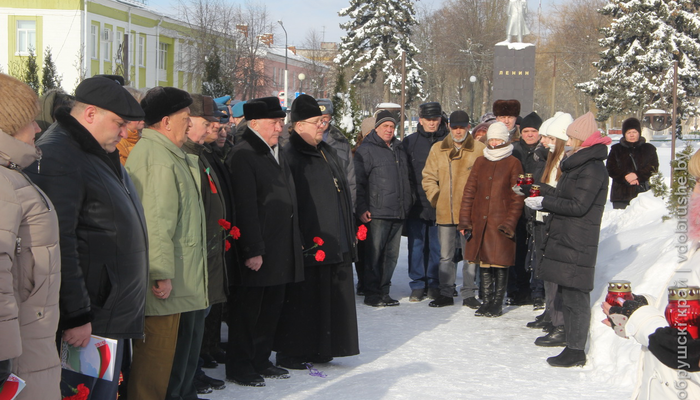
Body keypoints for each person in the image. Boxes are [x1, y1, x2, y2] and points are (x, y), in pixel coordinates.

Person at [25, 76, 148, 400]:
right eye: (119, 123)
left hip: (106, 314)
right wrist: (77, 315)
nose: (125, 133)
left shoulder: (95, 148)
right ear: (90, 113)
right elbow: (58, 243)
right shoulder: (59, 155)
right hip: (88, 321)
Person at [125, 87, 209, 400]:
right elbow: (156, 222)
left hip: (178, 279)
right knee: (155, 369)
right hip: (165, 284)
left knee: (172, 367)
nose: (190, 124)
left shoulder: (167, 154)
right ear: (165, 121)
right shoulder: (157, 159)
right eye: (185, 118)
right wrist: (160, 271)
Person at [275, 94, 359, 369]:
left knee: (326, 298)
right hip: (311, 241)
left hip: (333, 240)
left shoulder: (325, 150)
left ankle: (321, 346)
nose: (322, 126)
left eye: (324, 121)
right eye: (316, 122)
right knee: (304, 300)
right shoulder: (291, 155)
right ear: (298, 125)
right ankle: (294, 350)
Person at [225, 97, 304, 387]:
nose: (280, 128)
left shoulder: (275, 150)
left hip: (279, 245)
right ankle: (240, 365)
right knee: (248, 311)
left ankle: (260, 359)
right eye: (275, 123)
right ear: (255, 123)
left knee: (270, 308)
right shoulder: (244, 154)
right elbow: (245, 206)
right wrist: (252, 249)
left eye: (282, 122)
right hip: (258, 248)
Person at [525, 111, 611, 367]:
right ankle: (571, 345)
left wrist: (545, 202)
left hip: (578, 239)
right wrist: (539, 190)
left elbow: (578, 205)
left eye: (572, 136)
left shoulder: (593, 168)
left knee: (576, 296)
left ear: (582, 139)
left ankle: (576, 349)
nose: (568, 139)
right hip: (568, 236)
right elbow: (566, 194)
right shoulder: (579, 164)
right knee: (568, 292)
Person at [0, 73, 61, 400]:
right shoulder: (3, 184)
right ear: (8, 124)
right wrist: (2, 359)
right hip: (18, 352)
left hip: (31, 338)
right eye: (29, 120)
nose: (38, 128)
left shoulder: (12, 176)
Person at [180, 94, 228, 394]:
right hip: (194, 255)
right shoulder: (186, 156)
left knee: (201, 318)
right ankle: (190, 374)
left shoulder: (200, 154)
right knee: (191, 324)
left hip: (209, 249)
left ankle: (195, 369)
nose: (215, 127)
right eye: (207, 121)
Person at [458, 122, 524, 317]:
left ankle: (497, 302)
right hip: (480, 220)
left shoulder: (513, 163)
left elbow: (518, 195)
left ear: (505, 140)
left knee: (500, 263)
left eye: (498, 139)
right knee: (484, 262)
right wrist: (465, 220)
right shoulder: (481, 161)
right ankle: (486, 300)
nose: (494, 143)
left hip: (500, 222)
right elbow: (469, 191)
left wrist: (510, 222)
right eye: (492, 139)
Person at [422, 110, 485, 308]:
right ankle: (446, 292)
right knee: (446, 256)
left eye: (462, 127)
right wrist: (436, 197)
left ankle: (469, 293)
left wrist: (478, 205)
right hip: (445, 211)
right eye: (455, 127)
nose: (458, 131)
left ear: (468, 127)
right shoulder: (438, 148)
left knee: (470, 256)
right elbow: (428, 177)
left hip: (470, 213)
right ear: (449, 126)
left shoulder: (479, 149)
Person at [523, 112, 573, 348]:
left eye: (547, 137)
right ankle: (551, 312)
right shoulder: (552, 158)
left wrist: (541, 194)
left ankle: (557, 319)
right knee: (543, 266)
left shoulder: (565, 161)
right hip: (544, 216)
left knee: (553, 271)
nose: (542, 141)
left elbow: (560, 192)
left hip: (554, 218)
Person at [355, 110, 412, 307]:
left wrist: (408, 200)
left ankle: (384, 291)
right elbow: (358, 182)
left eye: (392, 126)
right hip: (376, 212)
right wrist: (361, 207)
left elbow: (406, 178)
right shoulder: (366, 150)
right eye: (385, 126)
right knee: (374, 254)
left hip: (398, 211)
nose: (389, 130)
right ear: (376, 128)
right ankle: (372, 292)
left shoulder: (399, 148)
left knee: (391, 256)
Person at [402, 102, 449, 302]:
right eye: (428, 119)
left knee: (438, 247)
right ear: (420, 120)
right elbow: (405, 174)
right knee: (417, 246)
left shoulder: (448, 141)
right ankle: (418, 284)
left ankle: (434, 282)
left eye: (435, 119)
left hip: (441, 203)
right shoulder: (410, 142)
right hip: (417, 204)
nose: (432, 123)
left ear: (440, 119)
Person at [509, 111, 543, 308]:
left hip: (539, 205)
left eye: (534, 131)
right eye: (527, 131)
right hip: (518, 207)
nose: (530, 134)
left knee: (538, 250)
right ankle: (520, 289)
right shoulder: (514, 150)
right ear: (521, 132)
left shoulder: (545, 150)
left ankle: (538, 290)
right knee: (519, 249)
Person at [606, 117, 659, 209]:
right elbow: (610, 168)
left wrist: (637, 175)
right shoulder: (616, 149)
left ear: (639, 132)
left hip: (642, 194)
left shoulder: (649, 149)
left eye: (634, 132)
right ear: (624, 134)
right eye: (628, 132)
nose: (631, 135)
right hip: (620, 195)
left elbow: (653, 167)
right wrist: (625, 177)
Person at [115, 87, 145, 165]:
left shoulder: (142, 139)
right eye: (137, 111)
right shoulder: (115, 143)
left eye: (143, 110)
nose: (142, 115)